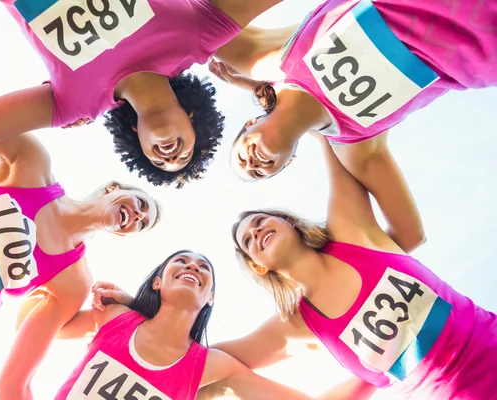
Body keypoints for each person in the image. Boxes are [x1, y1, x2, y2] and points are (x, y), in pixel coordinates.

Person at [0, 2, 159, 384]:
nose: (137, 215)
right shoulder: (32, 165)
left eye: (142, 224)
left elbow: (19, 375)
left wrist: (137, 307)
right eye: (141, 205)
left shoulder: (73, 281)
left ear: (126, 235)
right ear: (112, 189)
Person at [0, 0, 287, 189]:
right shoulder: (199, 35)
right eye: (185, 151)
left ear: (138, 139)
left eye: (162, 160)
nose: (172, 153)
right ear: (193, 118)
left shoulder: (72, 103)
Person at [223, 134, 497, 398]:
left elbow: (333, 138)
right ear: (258, 267)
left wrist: (300, 126)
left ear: (289, 221)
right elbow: (210, 362)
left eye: (260, 222)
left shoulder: (348, 232)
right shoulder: (297, 324)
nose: (256, 233)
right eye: (247, 241)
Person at [211, 0, 497, 251]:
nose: (253, 164)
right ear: (288, 162)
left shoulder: (266, 60)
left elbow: (192, 21)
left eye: (241, 157)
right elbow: (410, 237)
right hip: (485, 46)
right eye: (259, 173)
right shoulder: (354, 145)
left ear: (250, 124)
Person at [36, 250, 372, 400]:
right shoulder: (113, 318)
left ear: (210, 297)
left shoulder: (212, 367)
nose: (192, 267)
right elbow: (35, 320)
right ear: (157, 282)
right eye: (181, 261)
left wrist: (382, 368)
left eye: (204, 268)